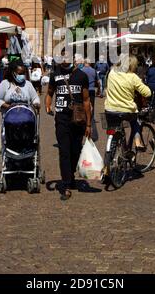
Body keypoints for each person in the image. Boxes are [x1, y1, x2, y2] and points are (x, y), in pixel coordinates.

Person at [45, 50, 92, 201]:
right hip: (62, 118)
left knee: (75, 151)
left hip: (78, 119)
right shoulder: (55, 74)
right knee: (64, 151)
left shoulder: (81, 75)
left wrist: (89, 124)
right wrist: (48, 105)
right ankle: (65, 185)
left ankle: (70, 176)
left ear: (72, 58)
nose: (64, 59)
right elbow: (50, 92)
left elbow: (86, 100)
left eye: (67, 57)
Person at [105, 54, 152, 152]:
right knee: (135, 123)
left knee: (114, 130)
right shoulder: (133, 77)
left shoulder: (112, 72)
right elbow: (147, 93)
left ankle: (110, 157)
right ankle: (138, 143)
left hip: (110, 109)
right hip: (127, 110)